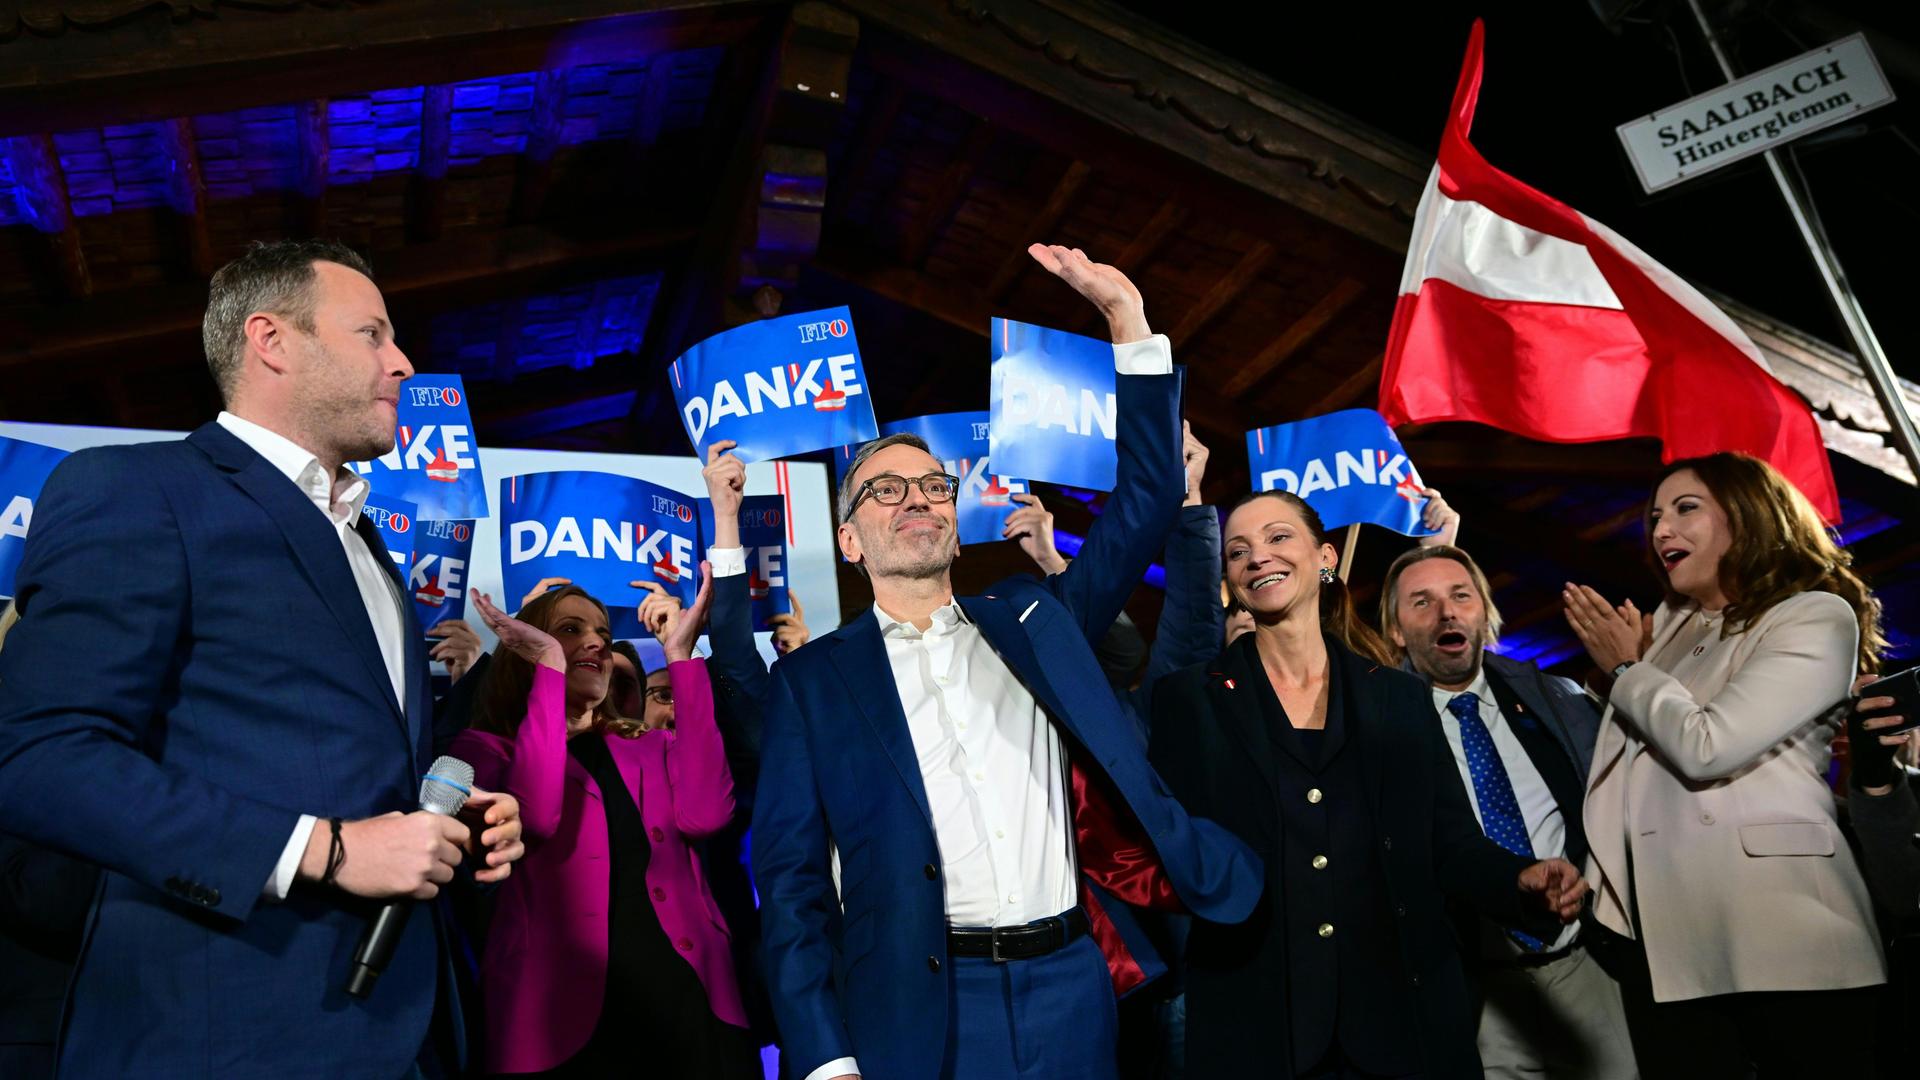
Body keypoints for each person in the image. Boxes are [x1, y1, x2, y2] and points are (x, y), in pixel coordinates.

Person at [0, 240, 524, 1078]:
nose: (404, 362)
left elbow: (347, 775)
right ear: (272, 340)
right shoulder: (137, 490)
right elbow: (40, 756)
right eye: (374, 335)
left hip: (403, 1026)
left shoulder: (370, 552)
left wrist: (444, 824)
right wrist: (330, 850)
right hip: (226, 1030)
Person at [751, 243, 1262, 1080]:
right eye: (886, 489)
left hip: (1074, 985)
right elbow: (793, 886)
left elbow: (1144, 504)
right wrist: (824, 1058)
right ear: (849, 540)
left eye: (933, 486)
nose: (917, 496)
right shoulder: (811, 683)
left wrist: (1127, 322)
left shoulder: (1037, 618)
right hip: (926, 1007)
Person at [1150, 489, 1589, 1079]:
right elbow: (1174, 854)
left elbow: (1450, 843)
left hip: (1399, 1018)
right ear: (1229, 577)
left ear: (1325, 557)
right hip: (1260, 1023)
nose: (1258, 557)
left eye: (1279, 537)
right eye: (1238, 551)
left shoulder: (1399, 698)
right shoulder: (1190, 700)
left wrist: (1519, 881)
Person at [1564, 451, 1887, 1080]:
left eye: (1686, 509)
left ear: (1750, 516)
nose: (1661, 531)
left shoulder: (1814, 615)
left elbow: (1709, 746)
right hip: (1668, 945)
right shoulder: (1673, 629)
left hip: (1786, 939)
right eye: (1656, 517)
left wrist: (1629, 669)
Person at [453, 578, 759, 1078]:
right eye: (569, 630)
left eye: (600, 630)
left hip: (690, 1005)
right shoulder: (483, 753)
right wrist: (549, 666)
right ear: (525, 644)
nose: (596, 641)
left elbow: (708, 815)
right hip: (558, 1023)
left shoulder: (651, 747)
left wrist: (680, 654)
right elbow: (535, 818)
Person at [1382, 545, 1635, 1080]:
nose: (1447, 613)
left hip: (1584, 965)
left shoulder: (1560, 704)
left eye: (1460, 596)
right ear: (1398, 632)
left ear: (1484, 615)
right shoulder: (1382, 731)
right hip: (1474, 984)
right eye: (1421, 602)